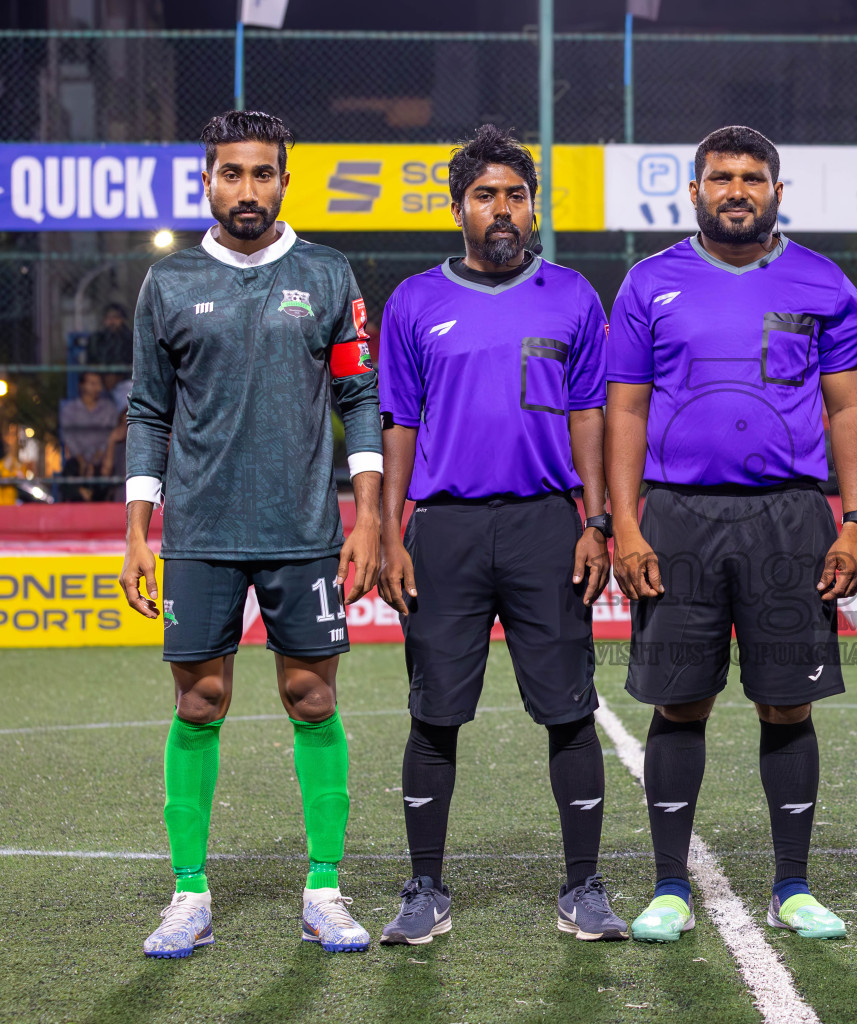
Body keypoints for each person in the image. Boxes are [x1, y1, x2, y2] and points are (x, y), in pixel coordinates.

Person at [121, 109, 382, 959]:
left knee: (314, 699)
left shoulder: (329, 275)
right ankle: (189, 893)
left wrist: (369, 514)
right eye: (230, 173)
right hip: (198, 533)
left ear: (284, 178)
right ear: (207, 180)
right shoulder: (167, 284)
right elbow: (149, 411)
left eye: (262, 172)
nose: (247, 189)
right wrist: (138, 533)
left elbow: (359, 399)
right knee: (200, 702)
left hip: (303, 530)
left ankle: (325, 889)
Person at [606, 125, 857, 943]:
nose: (736, 190)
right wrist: (624, 522)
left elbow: (848, 407)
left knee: (785, 703)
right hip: (676, 513)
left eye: (752, 178)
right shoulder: (648, 284)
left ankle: (792, 886)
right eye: (720, 177)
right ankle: (668, 887)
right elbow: (623, 407)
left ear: (776, 192)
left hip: (789, 516)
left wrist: (856, 517)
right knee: (680, 702)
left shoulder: (825, 284)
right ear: (693, 192)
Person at [374, 124, 626, 945]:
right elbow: (399, 424)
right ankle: (424, 888)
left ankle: (584, 886)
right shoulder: (414, 301)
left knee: (569, 711)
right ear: (458, 210)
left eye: (516, 194)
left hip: (547, 525)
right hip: (442, 529)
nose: (504, 208)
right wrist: (388, 530)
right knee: (434, 714)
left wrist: (599, 521)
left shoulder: (574, 296)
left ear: (532, 205)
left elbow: (592, 415)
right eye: (486, 195)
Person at [59, 370, 118, 499]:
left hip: (101, 460)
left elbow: (108, 438)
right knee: (69, 474)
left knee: (106, 473)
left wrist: (94, 461)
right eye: (92, 383)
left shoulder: (109, 409)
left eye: (98, 383)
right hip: (78, 461)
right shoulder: (69, 410)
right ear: (82, 385)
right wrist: (83, 461)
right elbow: (69, 438)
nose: (97, 387)